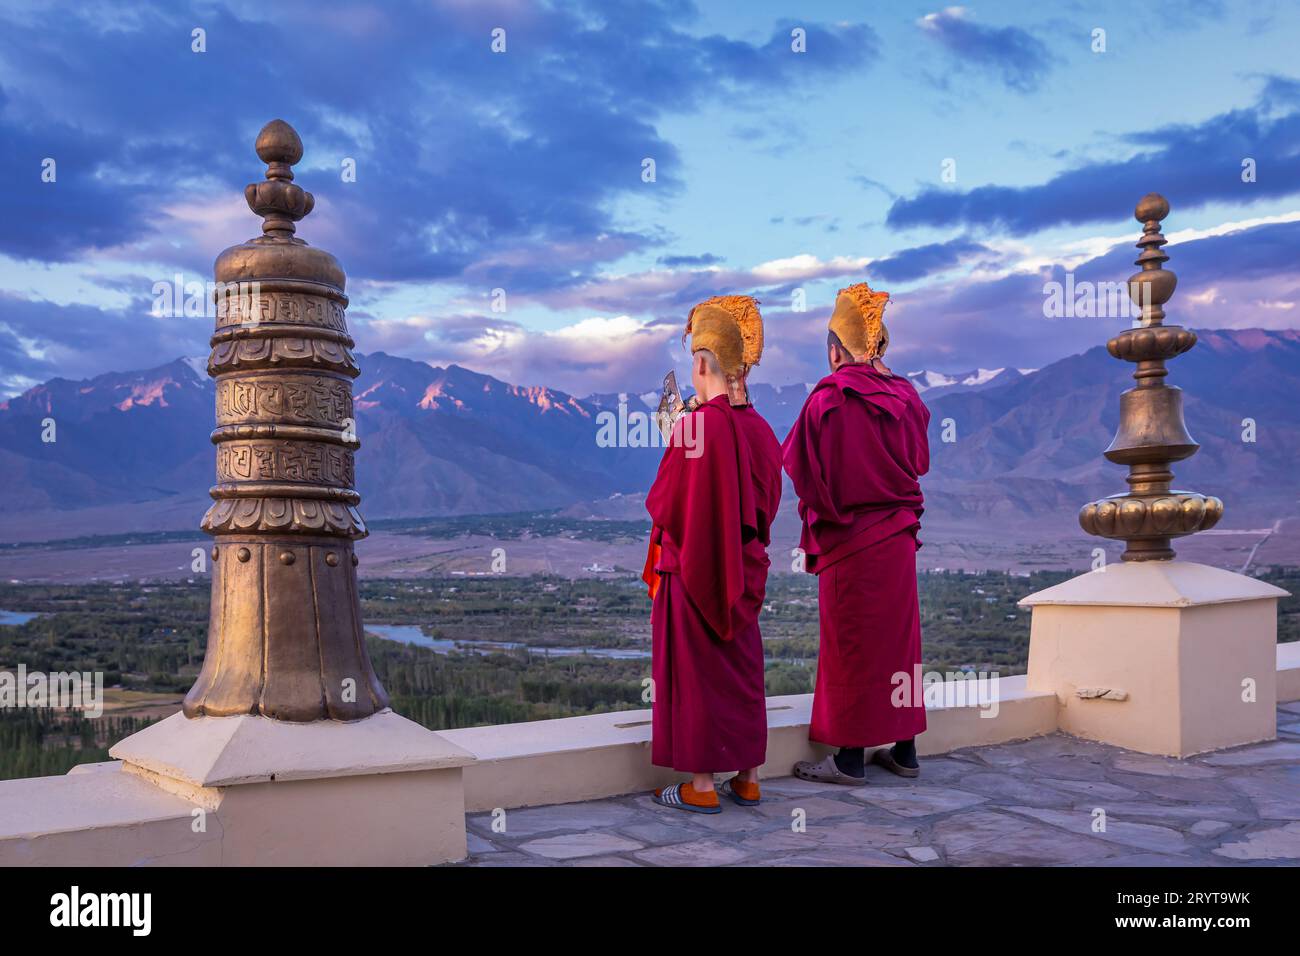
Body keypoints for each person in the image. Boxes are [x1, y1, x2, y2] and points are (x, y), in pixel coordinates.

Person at [783, 282, 931, 784]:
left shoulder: (828, 398)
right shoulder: (907, 397)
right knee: (898, 644)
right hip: (898, 539)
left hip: (849, 539)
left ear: (834, 350)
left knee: (851, 646)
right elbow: (918, 462)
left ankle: (849, 759)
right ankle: (905, 750)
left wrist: (822, 517)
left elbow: (803, 469)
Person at [643, 295, 783, 813]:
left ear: (702, 363)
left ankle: (701, 784)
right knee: (741, 669)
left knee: (699, 671)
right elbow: (766, 501)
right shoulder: (761, 430)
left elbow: (666, 504)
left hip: (694, 567)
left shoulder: (697, 427)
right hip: (743, 569)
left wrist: (673, 438)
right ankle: (748, 777)